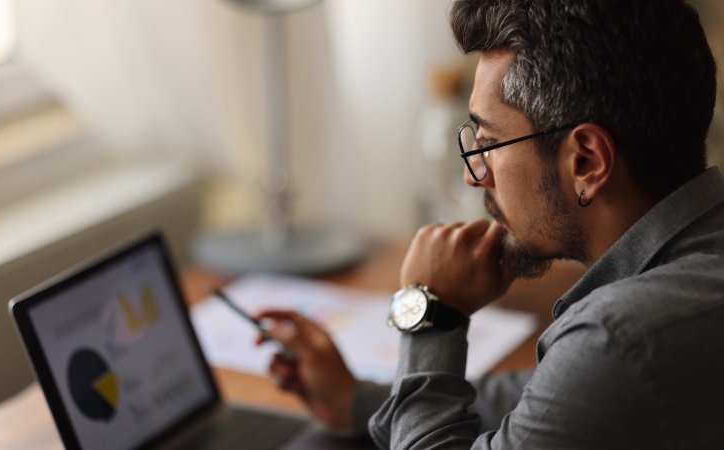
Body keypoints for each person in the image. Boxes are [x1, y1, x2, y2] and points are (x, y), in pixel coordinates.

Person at [259, 0, 724, 448]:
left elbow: (593, 369)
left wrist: (432, 315)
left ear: (586, 161)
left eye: (489, 143)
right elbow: (549, 399)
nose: (473, 174)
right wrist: (358, 401)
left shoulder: (617, 339)